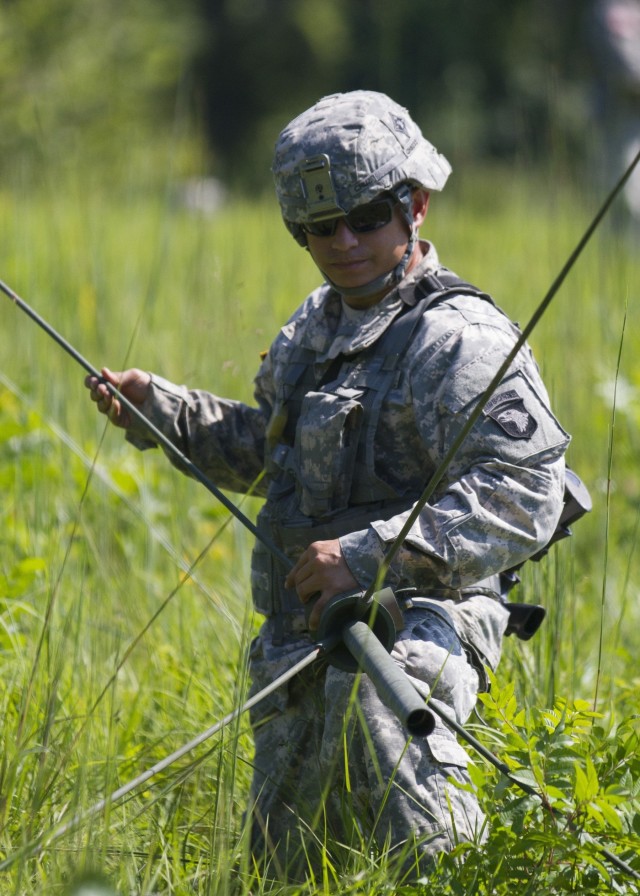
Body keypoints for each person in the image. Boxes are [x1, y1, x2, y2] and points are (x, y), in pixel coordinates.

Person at [85, 90, 569, 882]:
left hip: (423, 619)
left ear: (413, 205)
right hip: (300, 635)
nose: (343, 240)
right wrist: (158, 410)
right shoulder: (315, 326)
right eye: (320, 226)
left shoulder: (462, 340)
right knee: (289, 869)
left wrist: (372, 553)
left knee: (396, 762)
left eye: (367, 215)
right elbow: (266, 456)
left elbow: (527, 496)